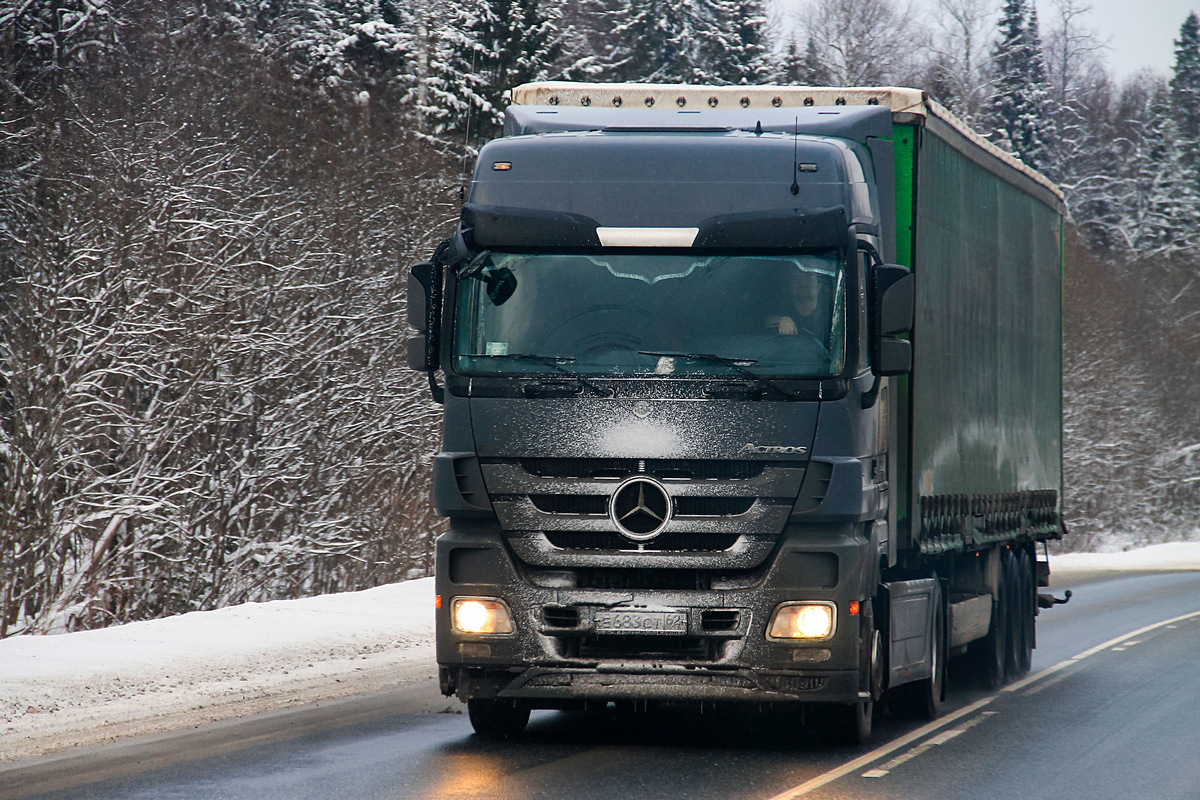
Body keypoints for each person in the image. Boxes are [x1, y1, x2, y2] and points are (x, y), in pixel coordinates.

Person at [767, 269, 825, 338]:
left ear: (819, 285)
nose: (803, 283)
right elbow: (765, 321)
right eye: (797, 278)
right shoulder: (782, 307)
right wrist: (781, 320)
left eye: (809, 277)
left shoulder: (830, 313)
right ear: (791, 286)